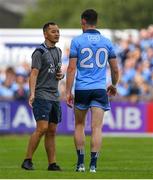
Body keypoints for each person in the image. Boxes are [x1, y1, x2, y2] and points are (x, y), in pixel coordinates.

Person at [66, 9, 119, 173]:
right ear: (96, 21)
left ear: (83, 21)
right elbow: (115, 69)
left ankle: (81, 164)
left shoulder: (77, 41)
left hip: (82, 88)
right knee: (97, 128)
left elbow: (71, 68)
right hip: (99, 89)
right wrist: (114, 84)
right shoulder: (107, 42)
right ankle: (93, 166)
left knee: (79, 125)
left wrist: (68, 91)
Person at [21, 22, 64, 171]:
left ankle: (52, 164)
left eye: (58, 31)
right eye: (53, 32)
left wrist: (61, 74)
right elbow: (34, 73)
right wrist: (32, 93)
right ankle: (27, 160)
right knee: (42, 128)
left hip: (54, 96)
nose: (57, 34)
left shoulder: (58, 51)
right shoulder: (39, 52)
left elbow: (55, 71)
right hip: (42, 94)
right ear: (45, 34)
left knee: (52, 130)